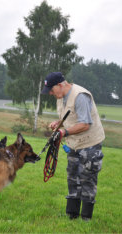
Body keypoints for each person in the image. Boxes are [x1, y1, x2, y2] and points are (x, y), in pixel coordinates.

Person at [41, 72, 105, 221]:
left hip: (90, 144)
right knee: (72, 177)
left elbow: (85, 124)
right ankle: (72, 215)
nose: (50, 93)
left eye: (51, 90)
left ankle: (86, 218)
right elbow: (68, 117)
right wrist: (58, 124)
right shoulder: (61, 96)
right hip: (74, 144)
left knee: (87, 179)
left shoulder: (81, 96)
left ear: (60, 84)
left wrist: (65, 131)